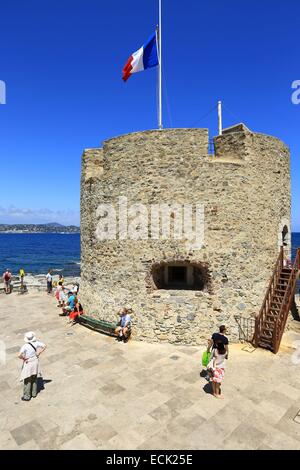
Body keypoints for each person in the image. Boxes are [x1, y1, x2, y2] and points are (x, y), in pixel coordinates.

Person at [18, 331, 46, 401]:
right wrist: (38, 353)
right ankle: (34, 393)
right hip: (35, 361)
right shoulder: (36, 343)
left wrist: (24, 358)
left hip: (29, 362)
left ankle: (27, 396)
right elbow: (44, 346)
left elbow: (19, 355)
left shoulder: (25, 346)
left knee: (27, 379)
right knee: (34, 377)